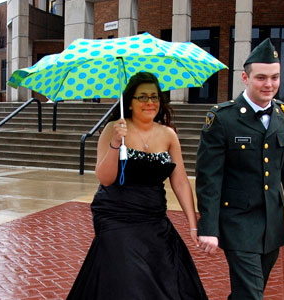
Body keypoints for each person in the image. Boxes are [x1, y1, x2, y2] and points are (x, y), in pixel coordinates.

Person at [67, 72, 208, 300]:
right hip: (115, 215)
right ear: (129, 103)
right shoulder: (114, 129)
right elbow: (105, 178)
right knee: (130, 280)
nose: (150, 102)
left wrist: (193, 225)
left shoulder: (168, 134)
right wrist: (115, 143)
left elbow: (180, 181)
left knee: (165, 275)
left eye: (155, 97)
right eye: (142, 97)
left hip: (153, 216)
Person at [195, 38, 284, 300]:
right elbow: (209, 178)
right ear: (245, 78)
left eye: (275, 77)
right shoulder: (222, 119)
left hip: (271, 224)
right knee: (251, 295)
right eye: (261, 77)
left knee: (248, 293)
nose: (269, 84)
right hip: (237, 222)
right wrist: (208, 227)